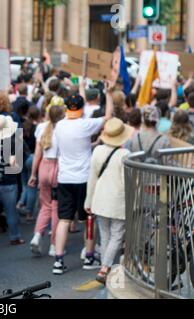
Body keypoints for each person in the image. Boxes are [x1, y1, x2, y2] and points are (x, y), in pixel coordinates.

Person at [52, 83, 114, 275]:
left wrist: (80, 86)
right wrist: (109, 94)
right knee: (88, 218)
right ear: (81, 108)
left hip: (65, 178)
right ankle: (89, 257)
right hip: (84, 178)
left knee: (63, 219)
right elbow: (109, 117)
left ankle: (58, 261)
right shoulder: (86, 124)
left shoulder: (59, 126)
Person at [84, 118, 134, 284]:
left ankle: (104, 268)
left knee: (105, 236)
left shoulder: (97, 150)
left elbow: (92, 178)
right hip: (118, 201)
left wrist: (88, 201)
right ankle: (105, 268)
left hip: (100, 199)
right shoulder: (125, 155)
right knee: (117, 236)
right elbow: (127, 183)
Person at [29, 100, 65, 256]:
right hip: (59, 169)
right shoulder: (64, 129)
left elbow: (37, 154)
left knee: (45, 205)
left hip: (44, 167)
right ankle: (53, 245)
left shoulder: (41, 128)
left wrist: (33, 174)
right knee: (57, 208)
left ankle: (37, 235)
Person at [0, 114, 24, 248]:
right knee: (11, 210)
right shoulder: (15, 140)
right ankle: (15, 237)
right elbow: (16, 164)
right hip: (9, 180)